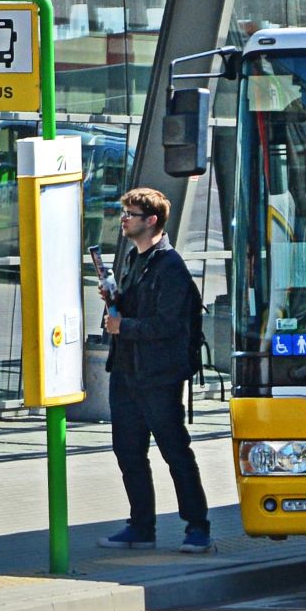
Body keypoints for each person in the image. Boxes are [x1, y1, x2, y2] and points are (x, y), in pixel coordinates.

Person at [101, 185, 211, 552]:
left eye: (130, 215)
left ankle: (197, 525)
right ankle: (141, 525)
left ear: (151, 221)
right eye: (123, 213)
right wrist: (116, 300)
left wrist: (123, 326)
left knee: (174, 449)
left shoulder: (171, 266)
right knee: (128, 450)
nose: (123, 220)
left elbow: (169, 325)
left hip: (159, 375)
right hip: (128, 370)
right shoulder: (135, 259)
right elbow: (138, 309)